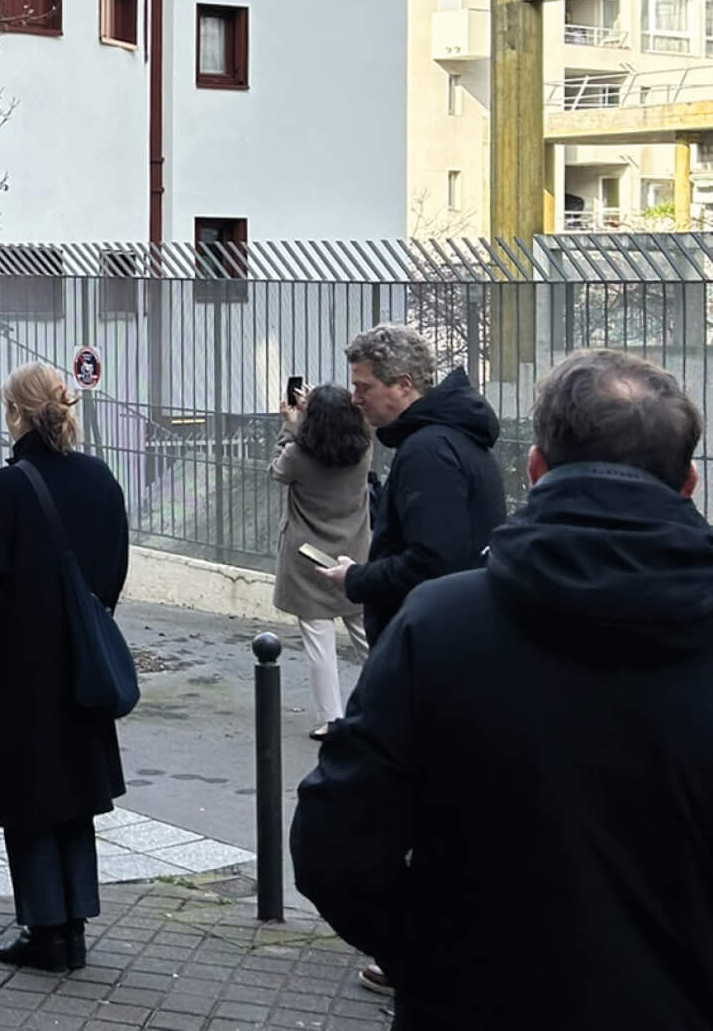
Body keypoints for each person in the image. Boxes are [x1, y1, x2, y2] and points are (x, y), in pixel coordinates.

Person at [293, 349, 713, 1031]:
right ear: (690, 481)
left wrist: (432, 955)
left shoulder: (438, 627)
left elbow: (333, 845)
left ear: (537, 469)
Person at [0, 363, 130, 975]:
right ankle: (74, 925)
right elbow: (112, 573)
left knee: (30, 803)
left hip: (21, 673)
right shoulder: (101, 478)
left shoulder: (9, 488)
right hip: (81, 667)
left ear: (14, 413)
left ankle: (43, 929)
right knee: (75, 798)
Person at [317, 326, 505, 650]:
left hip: (431, 642)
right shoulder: (452, 438)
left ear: (404, 385)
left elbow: (433, 562)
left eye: (365, 387)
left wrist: (356, 579)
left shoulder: (428, 451)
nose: (355, 399)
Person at [268, 382, 372, 737]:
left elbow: (277, 471)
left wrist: (291, 423)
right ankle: (396, 699)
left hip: (308, 557)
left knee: (319, 640)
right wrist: (322, 404)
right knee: (366, 633)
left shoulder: (298, 454)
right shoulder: (365, 448)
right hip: (354, 551)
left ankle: (331, 718)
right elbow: (359, 420)